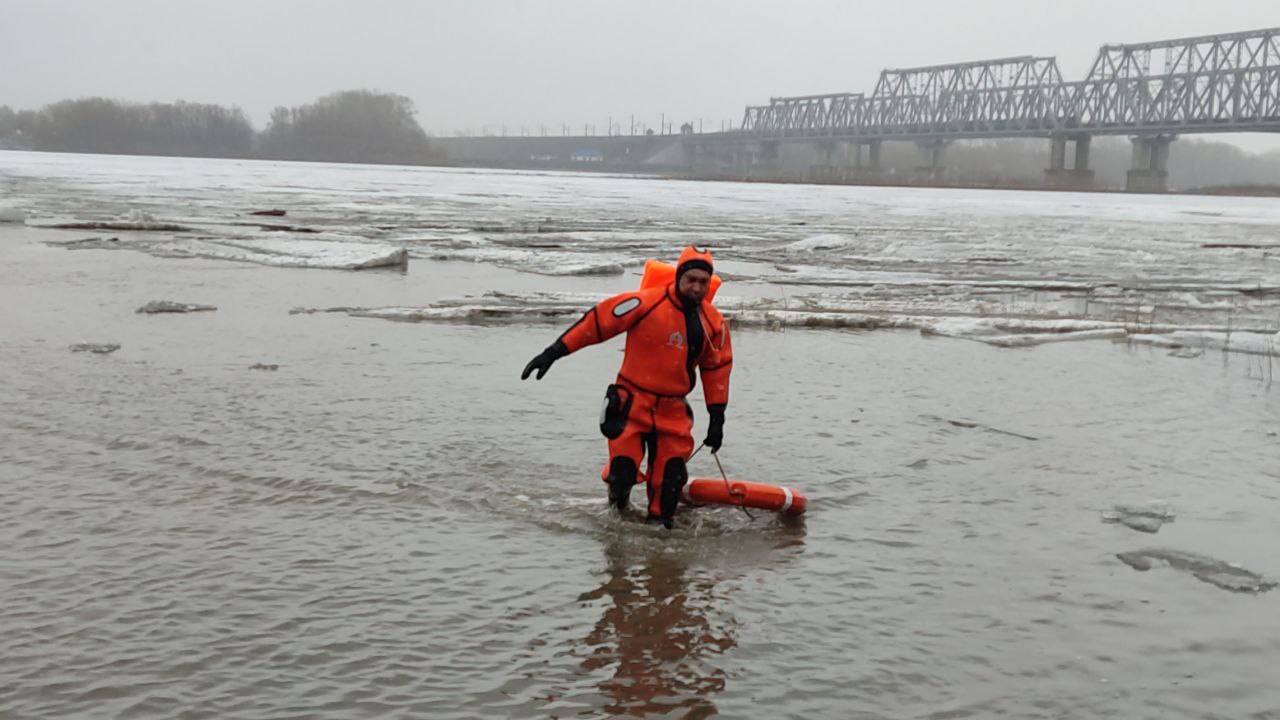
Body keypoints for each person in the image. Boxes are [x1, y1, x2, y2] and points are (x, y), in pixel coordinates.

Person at [521, 246, 733, 528]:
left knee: (668, 484)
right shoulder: (644, 303)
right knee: (623, 473)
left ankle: (658, 545)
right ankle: (617, 519)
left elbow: (716, 368)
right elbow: (598, 322)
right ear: (678, 277)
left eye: (703, 282)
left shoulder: (712, 322)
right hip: (631, 402)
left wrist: (716, 419)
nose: (696, 287)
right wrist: (553, 353)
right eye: (691, 279)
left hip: (673, 410)